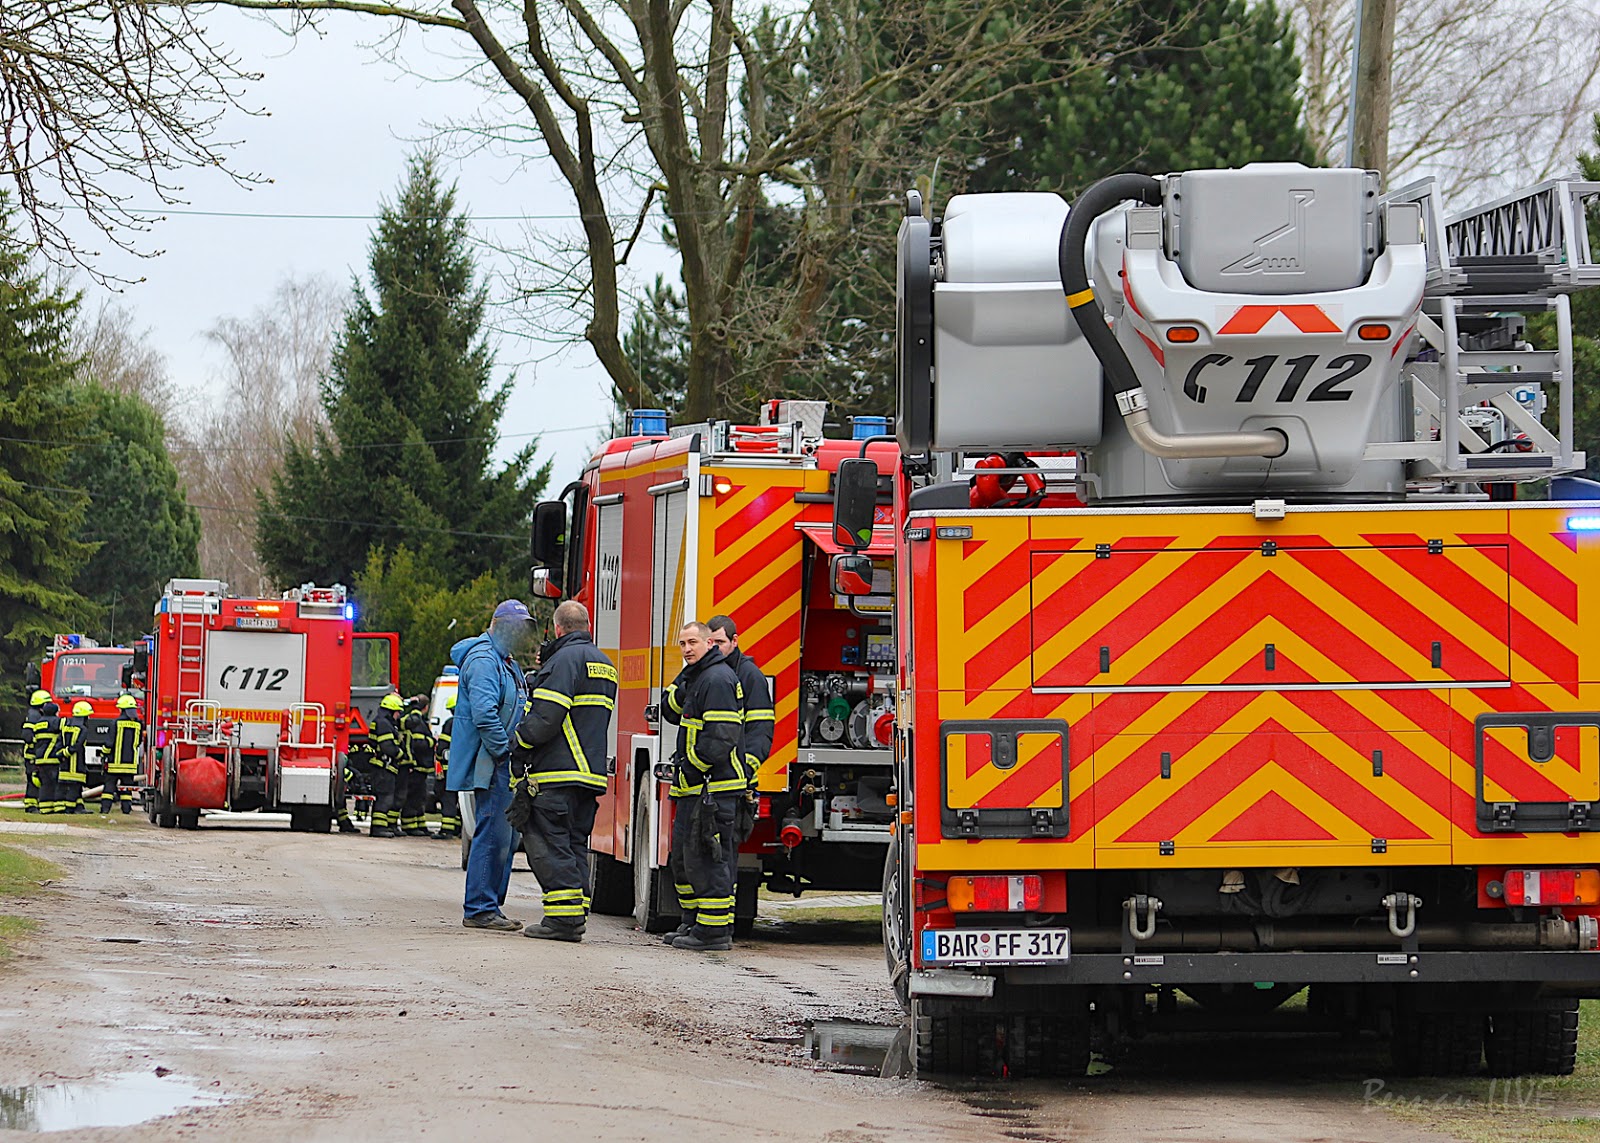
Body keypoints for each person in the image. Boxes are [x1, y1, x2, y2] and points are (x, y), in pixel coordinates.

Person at [509, 600, 617, 942]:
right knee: (573, 844)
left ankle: (563, 921)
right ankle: (575, 911)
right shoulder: (604, 664)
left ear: (558, 628)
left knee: (547, 842)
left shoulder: (563, 662)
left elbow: (545, 719)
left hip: (558, 771)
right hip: (589, 775)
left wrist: (518, 743)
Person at [449, 600, 534, 933]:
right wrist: (504, 752)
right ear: (498, 624)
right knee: (493, 834)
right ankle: (481, 909)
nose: (520, 634)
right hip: (496, 763)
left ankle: (490, 906)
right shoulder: (485, 660)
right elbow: (485, 714)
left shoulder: (502, 660)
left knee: (506, 837)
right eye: (516, 626)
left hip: (502, 761)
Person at [660, 621, 745, 952]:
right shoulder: (699, 676)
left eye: (692, 642)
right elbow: (670, 709)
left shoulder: (718, 679)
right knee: (687, 857)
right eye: (682, 644)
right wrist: (684, 679)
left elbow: (721, 737)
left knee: (708, 858)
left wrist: (692, 768)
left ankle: (712, 932)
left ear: (709, 642)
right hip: (698, 787)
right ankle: (695, 922)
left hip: (713, 787)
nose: (686, 649)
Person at [705, 614, 772, 905]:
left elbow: (760, 732)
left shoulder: (750, 676)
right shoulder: (705, 672)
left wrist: (745, 770)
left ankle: (721, 924)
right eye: (712, 643)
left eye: (721, 642)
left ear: (734, 641)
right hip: (707, 781)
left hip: (733, 784)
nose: (716, 648)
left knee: (725, 854)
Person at [368, 694, 405, 838]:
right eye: (398, 712)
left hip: (383, 766)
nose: (399, 715)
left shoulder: (382, 722)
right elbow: (387, 746)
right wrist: (401, 755)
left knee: (386, 796)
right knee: (385, 797)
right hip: (383, 767)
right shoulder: (384, 723)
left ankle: (381, 827)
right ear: (391, 711)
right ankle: (378, 828)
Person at [398, 696, 435, 837]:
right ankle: (410, 826)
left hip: (420, 766)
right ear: (425, 707)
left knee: (420, 797)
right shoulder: (417, 721)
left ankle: (419, 824)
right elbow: (419, 744)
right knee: (413, 797)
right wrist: (432, 741)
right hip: (417, 766)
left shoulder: (413, 720)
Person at [102, 695, 141, 814]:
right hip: (130, 765)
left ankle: (105, 810)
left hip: (114, 763)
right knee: (127, 788)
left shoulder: (116, 723)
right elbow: (138, 743)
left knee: (109, 787)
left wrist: (103, 753)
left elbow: (109, 743)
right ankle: (126, 810)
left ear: (122, 709)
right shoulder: (138, 725)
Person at [26, 698, 62, 816]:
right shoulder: (57, 722)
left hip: (40, 759)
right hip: (53, 758)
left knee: (45, 784)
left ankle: (44, 807)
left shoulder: (38, 724)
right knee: (55, 784)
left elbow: (34, 741)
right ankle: (57, 807)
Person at [19, 689, 51, 814]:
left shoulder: (35, 715)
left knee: (35, 779)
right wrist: (37, 745)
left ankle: (33, 804)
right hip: (32, 754)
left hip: (35, 754)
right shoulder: (34, 717)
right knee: (34, 779)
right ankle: (31, 806)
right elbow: (27, 736)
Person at [59, 701, 92, 815]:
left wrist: (62, 753)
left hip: (65, 763)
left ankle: (79, 807)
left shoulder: (66, 727)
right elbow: (77, 745)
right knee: (74, 786)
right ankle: (69, 809)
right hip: (76, 763)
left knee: (75, 788)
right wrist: (68, 752)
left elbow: (60, 742)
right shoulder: (82, 729)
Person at [436, 694, 461, 840]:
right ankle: (458, 828)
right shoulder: (469, 723)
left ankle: (446, 830)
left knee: (448, 799)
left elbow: (442, 748)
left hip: (449, 769)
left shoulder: (450, 723)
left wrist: (440, 758)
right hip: (464, 769)